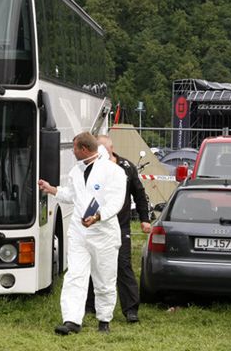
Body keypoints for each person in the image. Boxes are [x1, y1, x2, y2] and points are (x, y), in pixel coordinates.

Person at [38, 132, 126, 335]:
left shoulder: (113, 172)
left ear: (84, 149)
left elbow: (116, 201)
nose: (73, 151)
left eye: (74, 148)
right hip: (79, 234)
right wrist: (52, 189)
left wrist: (98, 216)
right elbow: (72, 195)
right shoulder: (77, 171)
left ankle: (104, 320)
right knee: (75, 276)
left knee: (104, 279)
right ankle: (71, 320)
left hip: (103, 235)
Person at [85, 135, 151, 323]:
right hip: (94, 225)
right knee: (94, 264)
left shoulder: (127, 167)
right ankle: (90, 306)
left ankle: (130, 309)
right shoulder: (92, 167)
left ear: (110, 149)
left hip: (120, 226)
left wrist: (145, 219)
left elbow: (139, 194)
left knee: (123, 265)